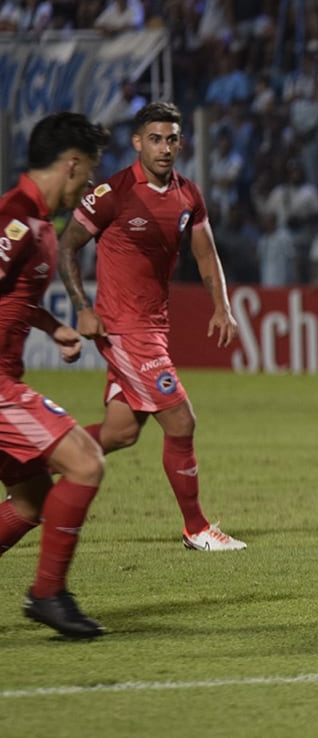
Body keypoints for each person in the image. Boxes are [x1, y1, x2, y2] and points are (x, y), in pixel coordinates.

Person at [58, 102, 247, 552]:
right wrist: (81, 306)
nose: (166, 148)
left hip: (153, 326)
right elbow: (67, 246)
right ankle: (197, 528)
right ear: (137, 142)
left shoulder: (188, 194)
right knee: (181, 420)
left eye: (173, 139)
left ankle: (26, 468)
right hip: (125, 328)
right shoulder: (113, 192)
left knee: (121, 432)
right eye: (156, 139)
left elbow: (205, 253)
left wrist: (221, 306)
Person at [0, 112, 110, 638]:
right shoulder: (15, 219)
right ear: (70, 164)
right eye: (87, 172)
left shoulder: (38, 224)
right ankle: (47, 594)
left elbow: (11, 298)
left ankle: (48, 592)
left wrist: (50, 326)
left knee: (31, 501)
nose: (89, 185)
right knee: (86, 463)